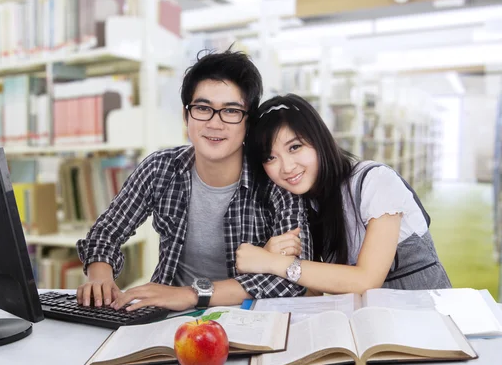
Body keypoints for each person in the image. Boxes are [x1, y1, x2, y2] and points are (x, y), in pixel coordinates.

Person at [76, 51, 312, 312]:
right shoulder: (160, 168)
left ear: (249, 122)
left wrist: (191, 294)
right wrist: (100, 279)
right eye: (202, 108)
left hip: (249, 318)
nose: (214, 123)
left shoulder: (274, 177)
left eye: (231, 111)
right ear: (185, 115)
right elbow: (105, 233)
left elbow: (294, 278)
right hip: (169, 318)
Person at [236, 93, 451, 293]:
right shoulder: (304, 203)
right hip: (367, 321)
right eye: (270, 158)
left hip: (424, 316)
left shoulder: (375, 181)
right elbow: (313, 293)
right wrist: (270, 255)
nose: (287, 167)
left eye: (294, 147)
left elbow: (366, 281)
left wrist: (273, 263)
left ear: (319, 140)